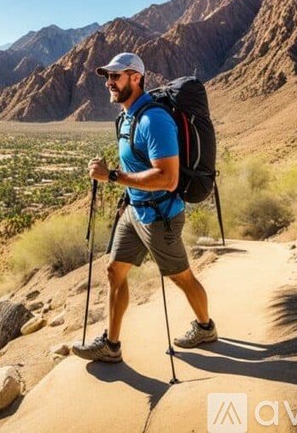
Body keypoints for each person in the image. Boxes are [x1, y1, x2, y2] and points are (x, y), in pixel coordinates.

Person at [72, 52, 216, 363]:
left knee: (181, 278)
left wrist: (112, 176)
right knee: (114, 271)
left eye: (116, 76)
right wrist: (126, 198)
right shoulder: (125, 117)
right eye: (108, 77)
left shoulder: (154, 120)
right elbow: (136, 164)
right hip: (135, 211)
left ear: (136, 78)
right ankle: (111, 346)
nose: (110, 82)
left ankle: (206, 327)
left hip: (160, 217)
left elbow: (168, 177)